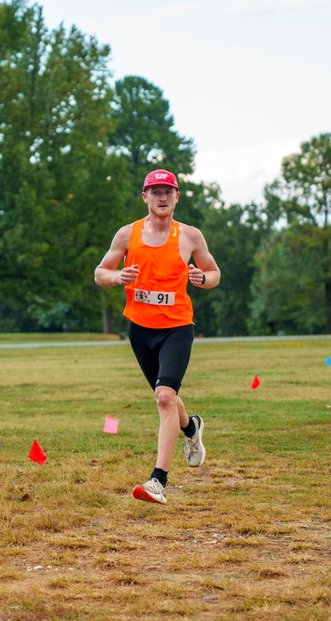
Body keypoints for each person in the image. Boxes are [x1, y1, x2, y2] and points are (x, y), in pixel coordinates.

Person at [94, 168, 220, 504]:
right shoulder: (127, 234)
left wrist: (202, 280)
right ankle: (191, 428)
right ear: (145, 196)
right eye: (156, 191)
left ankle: (158, 482)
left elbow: (214, 272)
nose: (162, 197)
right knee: (166, 394)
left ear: (177, 197)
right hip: (140, 330)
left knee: (164, 397)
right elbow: (100, 272)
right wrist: (118, 276)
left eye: (168, 192)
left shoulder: (190, 236)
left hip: (177, 327)